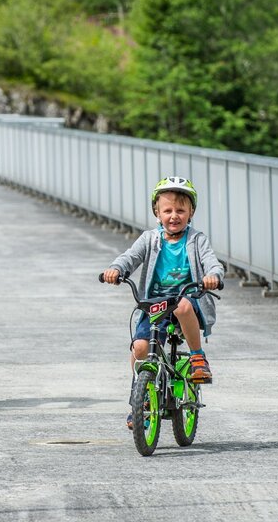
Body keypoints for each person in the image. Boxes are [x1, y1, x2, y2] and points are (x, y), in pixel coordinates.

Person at [102, 176, 223, 428]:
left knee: (182, 305)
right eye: (167, 210)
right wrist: (116, 269)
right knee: (139, 348)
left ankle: (198, 357)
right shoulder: (149, 239)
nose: (174, 216)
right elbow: (130, 257)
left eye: (181, 210)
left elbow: (212, 262)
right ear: (157, 213)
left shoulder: (197, 240)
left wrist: (213, 276)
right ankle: (139, 399)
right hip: (155, 305)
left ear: (191, 213)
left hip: (188, 302)